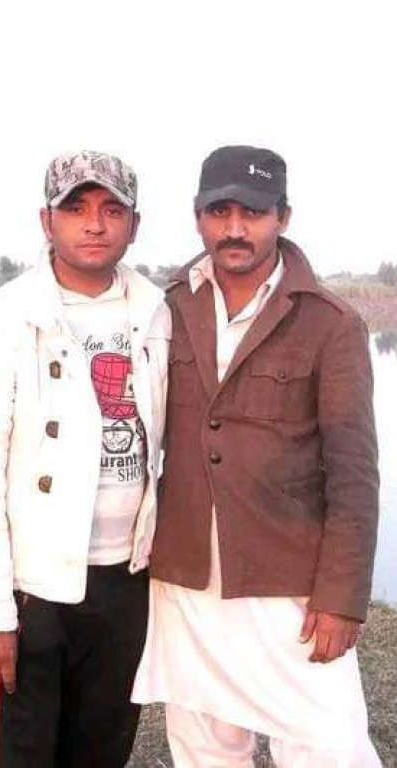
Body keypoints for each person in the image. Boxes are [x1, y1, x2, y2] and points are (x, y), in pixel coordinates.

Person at [133, 145, 381, 767]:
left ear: (283, 217)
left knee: (329, 749)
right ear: (198, 216)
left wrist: (342, 596)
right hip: (187, 579)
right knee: (205, 750)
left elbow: (354, 475)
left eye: (254, 212)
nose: (236, 229)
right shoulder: (166, 308)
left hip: (286, 584)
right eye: (220, 212)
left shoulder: (330, 323)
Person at [0, 150, 170, 768]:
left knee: (99, 751)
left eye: (112, 210)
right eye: (76, 208)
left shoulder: (159, 314)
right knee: (10, 755)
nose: (94, 224)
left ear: (134, 224)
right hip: (31, 589)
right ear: (47, 222)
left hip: (125, 583)